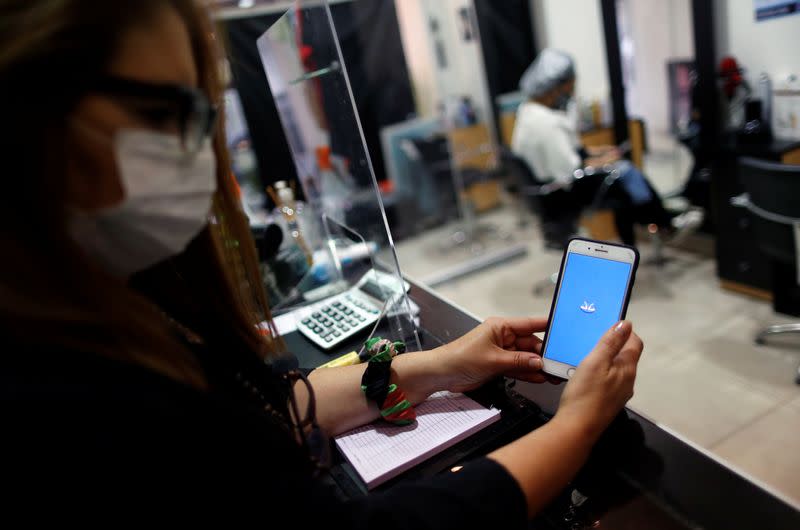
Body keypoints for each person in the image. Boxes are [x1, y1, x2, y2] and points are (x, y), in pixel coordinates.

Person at [0, 1, 644, 525]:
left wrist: (442, 366)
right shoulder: (57, 402)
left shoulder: (115, 310)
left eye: (202, 113)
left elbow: (275, 406)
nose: (198, 147)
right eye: (164, 111)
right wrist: (577, 427)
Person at [511, 48, 694, 246]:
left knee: (625, 180)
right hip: (564, 193)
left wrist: (599, 153)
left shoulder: (527, 113)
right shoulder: (548, 124)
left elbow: (570, 151)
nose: (571, 94)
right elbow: (570, 170)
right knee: (626, 177)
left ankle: (655, 224)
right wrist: (603, 162)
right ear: (554, 88)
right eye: (569, 88)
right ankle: (662, 224)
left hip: (549, 189)